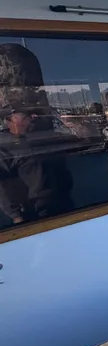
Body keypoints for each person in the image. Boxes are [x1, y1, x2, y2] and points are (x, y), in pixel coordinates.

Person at [0, 44, 74, 227]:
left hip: (65, 213)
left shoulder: (44, 137)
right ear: (9, 117)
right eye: (26, 113)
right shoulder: (4, 148)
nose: (34, 115)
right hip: (35, 222)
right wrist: (18, 219)